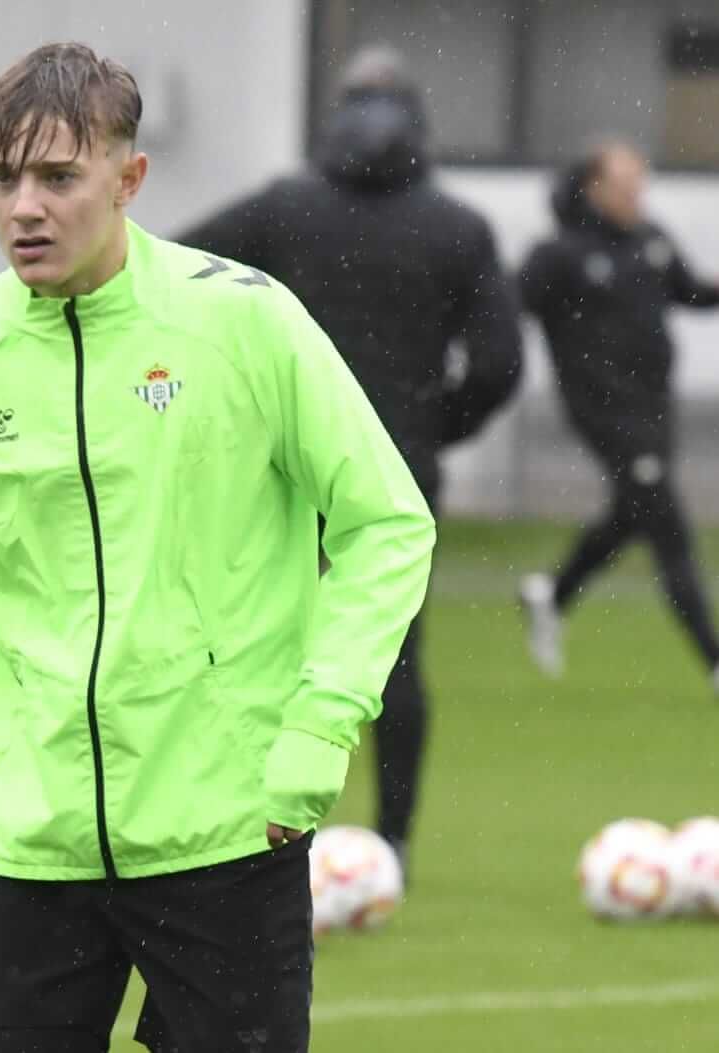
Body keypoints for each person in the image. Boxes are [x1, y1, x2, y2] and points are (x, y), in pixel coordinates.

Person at [0, 42, 435, 1053]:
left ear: (128, 179)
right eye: (2, 177)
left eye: (57, 178)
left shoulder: (244, 324)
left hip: (226, 834)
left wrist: (318, 724)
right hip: (31, 847)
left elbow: (386, 524)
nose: (24, 207)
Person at [175, 47, 521, 869]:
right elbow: (500, 363)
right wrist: (435, 427)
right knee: (390, 657)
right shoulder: (457, 228)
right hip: (394, 466)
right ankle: (391, 840)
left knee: (254, 646)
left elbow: (169, 281)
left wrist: (232, 401)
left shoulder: (283, 209)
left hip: (275, 471)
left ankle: (249, 827)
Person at [518, 140, 719, 692]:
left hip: (655, 408)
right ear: (595, 189)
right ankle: (713, 659)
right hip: (604, 412)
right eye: (627, 186)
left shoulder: (650, 242)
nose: (638, 197)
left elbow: (691, 291)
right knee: (669, 527)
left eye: (641, 185)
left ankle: (551, 596)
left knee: (635, 513)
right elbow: (504, 307)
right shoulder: (559, 254)